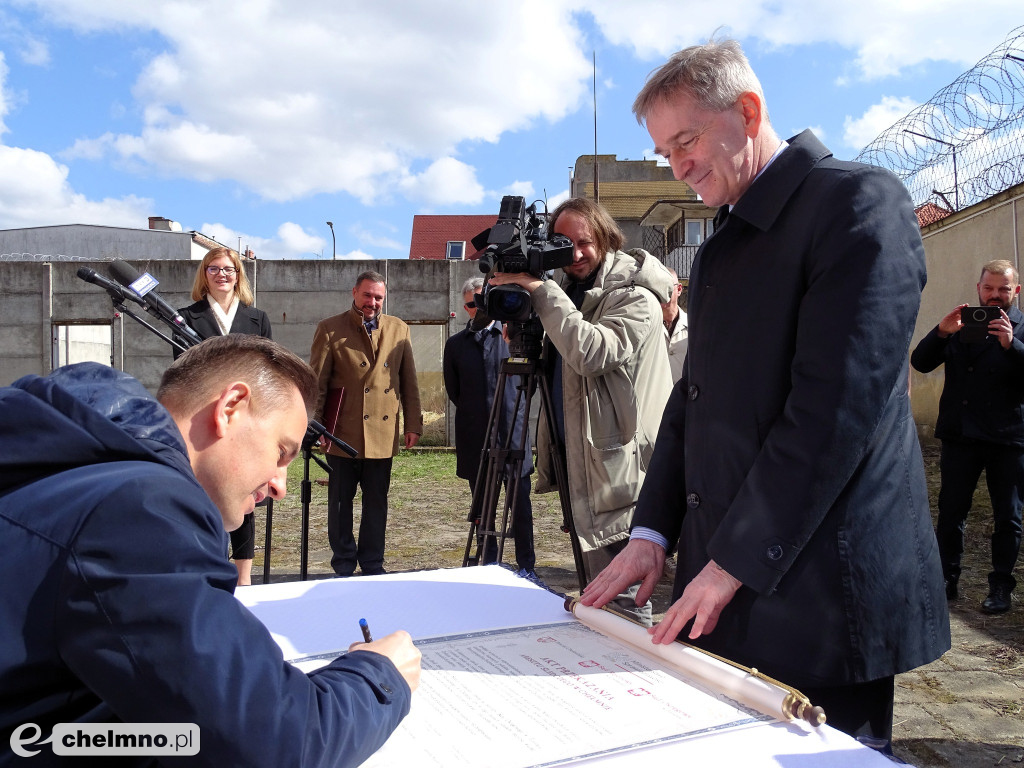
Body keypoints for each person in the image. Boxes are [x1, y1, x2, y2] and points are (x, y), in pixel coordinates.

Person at [580, 38, 950, 749]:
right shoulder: (722, 240)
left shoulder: (857, 205)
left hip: (822, 599)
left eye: (686, 140)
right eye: (665, 152)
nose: (678, 164)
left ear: (747, 112)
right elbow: (693, 399)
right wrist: (653, 532)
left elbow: (833, 414)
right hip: (728, 579)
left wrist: (731, 561)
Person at [0, 335, 420, 767]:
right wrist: (378, 675)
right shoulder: (141, 510)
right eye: (281, 451)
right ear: (231, 407)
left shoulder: (77, 466)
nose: (279, 485)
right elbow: (272, 746)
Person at [488, 197, 675, 624]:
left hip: (621, 475)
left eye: (584, 242)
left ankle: (630, 683)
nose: (573, 253)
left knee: (624, 602)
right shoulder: (571, 293)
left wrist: (539, 290)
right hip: (583, 465)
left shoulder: (636, 297)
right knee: (600, 596)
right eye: (562, 243)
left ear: (606, 239)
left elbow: (592, 352)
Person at [911, 259, 1024, 614]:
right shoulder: (961, 326)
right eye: (988, 288)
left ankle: (1001, 586)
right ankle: (947, 577)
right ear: (979, 288)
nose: (995, 296)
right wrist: (942, 332)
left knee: (1008, 516)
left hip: (1008, 438)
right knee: (951, 511)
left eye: (1003, 289)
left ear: (1015, 291)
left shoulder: (1021, 328)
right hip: (962, 435)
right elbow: (921, 362)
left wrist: (1012, 346)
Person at [309, 270, 423, 577]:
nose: (372, 302)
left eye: (378, 297)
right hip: (342, 431)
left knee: (377, 504)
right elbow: (317, 382)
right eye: (367, 295)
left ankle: (373, 563)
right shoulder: (331, 328)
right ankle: (344, 563)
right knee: (340, 502)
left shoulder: (399, 329)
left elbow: (409, 382)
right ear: (354, 293)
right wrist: (316, 426)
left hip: (382, 433)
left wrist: (413, 423)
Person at [175, 245, 273, 585]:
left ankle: (243, 578)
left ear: (238, 275)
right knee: (205, 493)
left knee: (243, 493)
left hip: (243, 418)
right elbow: (181, 372)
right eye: (214, 268)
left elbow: (266, 372)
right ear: (205, 274)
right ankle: (209, 568)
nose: (222, 274)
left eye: (229, 269)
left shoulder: (256, 318)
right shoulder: (186, 318)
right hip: (203, 417)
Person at [443, 277, 536, 575]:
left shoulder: (513, 339)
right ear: (465, 307)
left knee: (520, 506)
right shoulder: (456, 345)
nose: (477, 308)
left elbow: (529, 386)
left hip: (513, 434)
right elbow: (454, 391)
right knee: (483, 510)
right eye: (472, 304)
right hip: (477, 439)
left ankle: (527, 565)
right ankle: (489, 564)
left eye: (483, 301)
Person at [662, 266, 688, 383]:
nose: (662, 293)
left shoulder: (694, 327)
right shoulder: (646, 327)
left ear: (679, 289)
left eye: (667, 287)